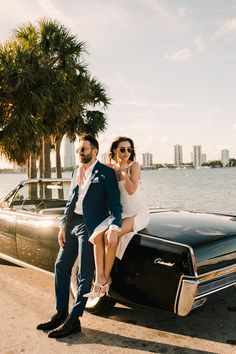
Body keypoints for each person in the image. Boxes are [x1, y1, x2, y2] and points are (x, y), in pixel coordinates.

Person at [36, 134, 122, 338]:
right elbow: (70, 201)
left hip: (90, 226)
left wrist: (114, 227)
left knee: (84, 274)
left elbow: (114, 204)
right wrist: (62, 226)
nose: (79, 152)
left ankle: (74, 320)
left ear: (94, 151)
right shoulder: (75, 171)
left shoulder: (105, 173)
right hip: (72, 223)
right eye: (78, 149)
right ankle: (60, 313)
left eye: (83, 149)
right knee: (61, 266)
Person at [83, 136, 150, 298]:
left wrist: (122, 171)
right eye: (122, 149)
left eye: (129, 149)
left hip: (138, 213)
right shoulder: (111, 168)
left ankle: (104, 281)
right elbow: (91, 165)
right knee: (97, 236)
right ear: (114, 151)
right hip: (122, 213)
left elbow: (132, 190)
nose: (127, 152)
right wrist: (80, 169)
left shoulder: (134, 166)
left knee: (111, 235)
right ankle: (100, 277)